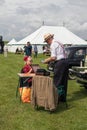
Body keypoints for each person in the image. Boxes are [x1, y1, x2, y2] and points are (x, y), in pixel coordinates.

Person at [42, 33, 69, 102]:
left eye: (47, 41)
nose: (47, 43)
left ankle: (54, 100)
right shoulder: (59, 42)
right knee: (64, 81)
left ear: (49, 39)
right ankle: (62, 99)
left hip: (60, 63)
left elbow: (53, 57)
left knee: (57, 81)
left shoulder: (53, 44)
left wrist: (46, 61)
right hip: (65, 62)